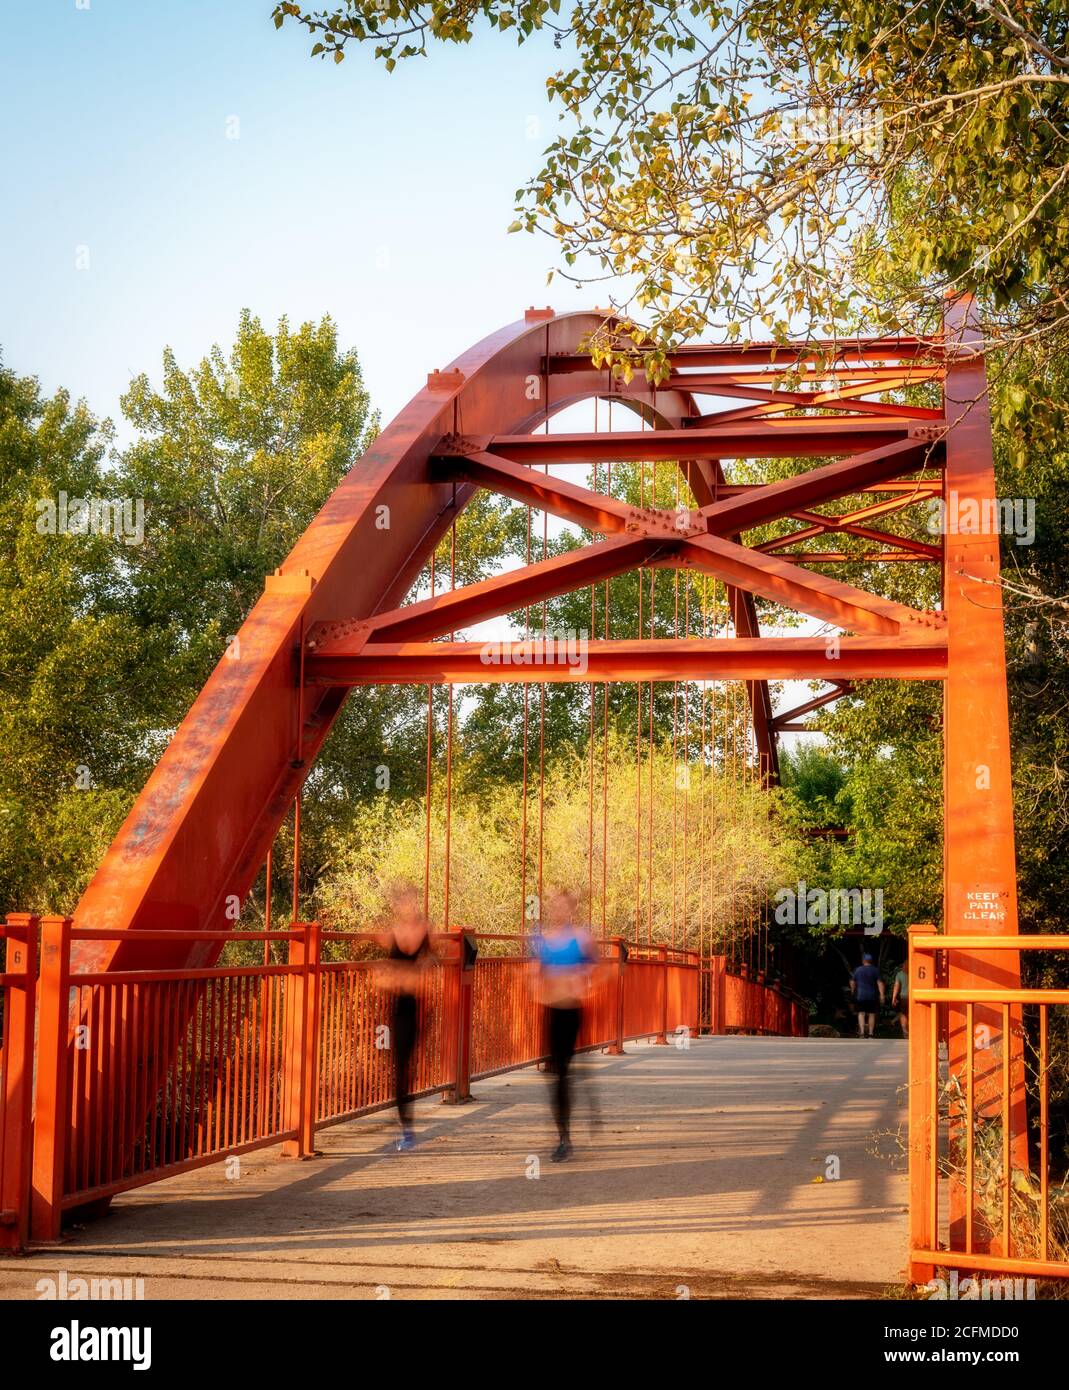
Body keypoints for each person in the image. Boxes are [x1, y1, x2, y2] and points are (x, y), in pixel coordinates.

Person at [532, 888, 596, 1162]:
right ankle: (564, 1133)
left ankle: (563, 1139)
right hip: (551, 1011)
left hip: (571, 1011)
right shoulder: (543, 940)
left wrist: (582, 982)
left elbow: (600, 971)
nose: (558, 911)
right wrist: (536, 988)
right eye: (554, 906)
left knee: (561, 1073)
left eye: (563, 906)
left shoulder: (582, 939)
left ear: (571, 909)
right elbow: (535, 974)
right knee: (555, 1072)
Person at [376, 883, 435, 1151]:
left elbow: (433, 961)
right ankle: (406, 1129)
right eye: (403, 902)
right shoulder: (392, 934)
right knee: (400, 1070)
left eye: (411, 902)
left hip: (416, 1007)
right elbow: (382, 968)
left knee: (406, 1068)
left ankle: (406, 1128)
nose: (407, 907)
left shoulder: (425, 931)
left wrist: (417, 972)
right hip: (396, 1007)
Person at [850, 952, 884, 1039]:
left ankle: (861, 1033)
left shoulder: (858, 970)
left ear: (863, 960)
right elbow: (880, 983)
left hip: (861, 996)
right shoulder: (875, 970)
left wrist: (853, 991)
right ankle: (871, 1034)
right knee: (871, 1014)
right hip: (872, 996)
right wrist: (882, 995)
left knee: (861, 1013)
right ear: (871, 961)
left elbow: (852, 981)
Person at [891, 963, 909, 1038]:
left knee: (903, 1014)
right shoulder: (914, 972)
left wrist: (894, 998)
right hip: (913, 996)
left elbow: (896, 986)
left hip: (903, 997)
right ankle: (909, 1031)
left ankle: (905, 1031)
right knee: (909, 1014)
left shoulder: (899, 974)